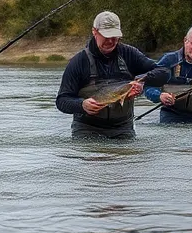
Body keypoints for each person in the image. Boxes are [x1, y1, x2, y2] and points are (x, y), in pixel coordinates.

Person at [55, 10, 168, 139]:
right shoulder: (79, 62)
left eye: (114, 36)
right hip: (86, 130)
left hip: (123, 129)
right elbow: (62, 101)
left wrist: (141, 81)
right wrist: (82, 105)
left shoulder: (129, 54)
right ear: (94, 32)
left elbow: (164, 72)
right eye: (106, 36)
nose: (110, 41)